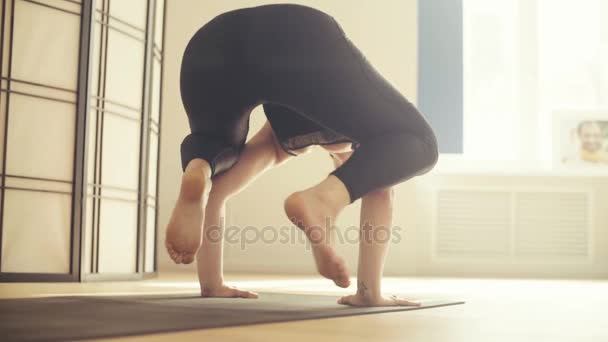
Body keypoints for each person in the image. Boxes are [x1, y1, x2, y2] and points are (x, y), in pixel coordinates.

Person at [165, 4, 438, 307]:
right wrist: (369, 291)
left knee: (217, 155)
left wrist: (212, 283)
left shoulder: (283, 133)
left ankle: (198, 167)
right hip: (297, 37)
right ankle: (323, 203)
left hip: (211, 45)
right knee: (420, 143)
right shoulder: (355, 130)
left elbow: (217, 195)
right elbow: (380, 188)